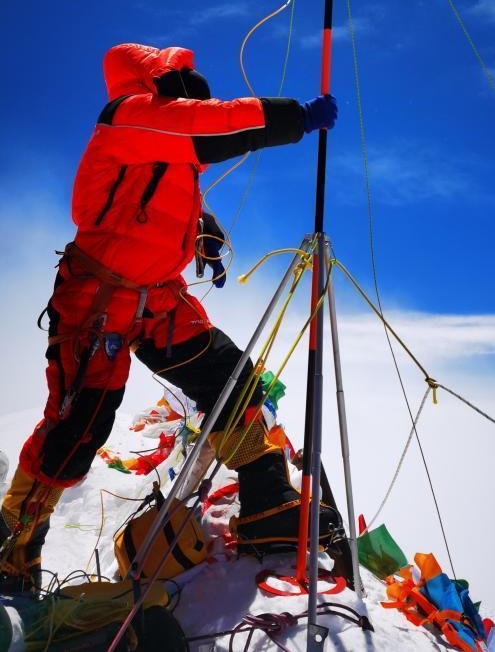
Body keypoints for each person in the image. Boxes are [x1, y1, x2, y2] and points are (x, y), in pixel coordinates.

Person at [0, 42, 339, 591]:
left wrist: (200, 231)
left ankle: (266, 503)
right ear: (157, 81)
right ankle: (15, 544)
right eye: (182, 82)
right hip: (98, 302)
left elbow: (165, 190)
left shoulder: (166, 142)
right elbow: (205, 129)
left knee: (231, 380)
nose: (192, 92)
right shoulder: (126, 117)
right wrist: (294, 117)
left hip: (158, 297)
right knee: (77, 425)